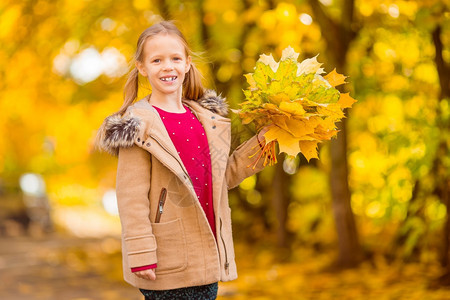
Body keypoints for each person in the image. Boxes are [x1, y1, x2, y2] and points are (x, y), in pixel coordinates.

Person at [96, 20, 268, 300]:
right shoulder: (138, 127)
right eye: (157, 60)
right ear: (142, 67)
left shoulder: (206, 120)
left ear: (187, 63)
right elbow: (131, 198)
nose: (168, 66)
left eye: (175, 58)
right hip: (167, 258)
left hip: (208, 255)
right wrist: (140, 253)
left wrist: (263, 145)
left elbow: (224, 177)